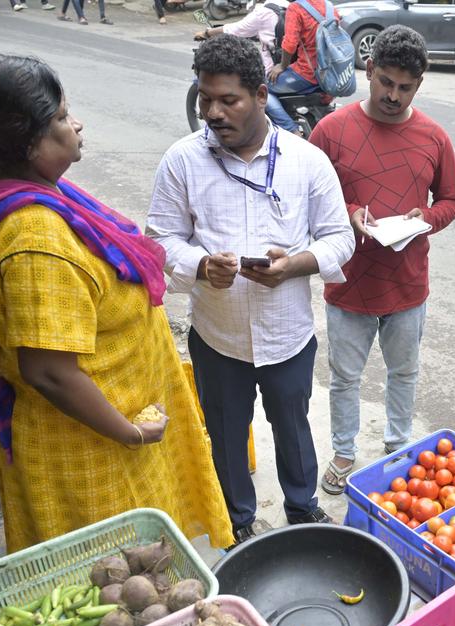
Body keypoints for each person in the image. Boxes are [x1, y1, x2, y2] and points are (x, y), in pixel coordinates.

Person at [0, 52, 234, 553]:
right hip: (92, 458)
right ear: (22, 140)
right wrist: (130, 434)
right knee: (117, 583)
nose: (75, 124)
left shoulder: (2, 195)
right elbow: (49, 370)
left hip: (113, 430)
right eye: (58, 117)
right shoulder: (35, 237)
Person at [148, 35, 354, 539]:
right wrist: (199, 266)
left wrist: (297, 264)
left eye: (228, 100)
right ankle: (238, 520)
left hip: (288, 335)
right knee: (224, 433)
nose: (214, 113)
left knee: (293, 426)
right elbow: (159, 241)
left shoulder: (306, 161)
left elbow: (340, 238)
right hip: (218, 337)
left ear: (261, 96)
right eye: (205, 99)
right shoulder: (182, 160)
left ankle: (302, 506)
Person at [309, 26, 455, 494]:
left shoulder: (434, 138)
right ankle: (343, 452)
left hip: (407, 285)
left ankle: (398, 445)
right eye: (385, 83)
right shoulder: (330, 131)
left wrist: (427, 219)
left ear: (419, 85)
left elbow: (453, 199)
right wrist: (351, 213)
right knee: (344, 377)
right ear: (369, 70)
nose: (393, 96)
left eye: (405, 87)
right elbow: (311, 199)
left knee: (404, 372)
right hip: (349, 282)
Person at [195, 1, 291, 129]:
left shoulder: (263, 12)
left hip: (278, 67)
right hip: (299, 65)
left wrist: (207, 33)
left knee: (258, 89)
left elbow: (235, 29)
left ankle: (291, 128)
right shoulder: (287, 6)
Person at [266, 0, 328, 131]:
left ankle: (291, 129)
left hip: (307, 74)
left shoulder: (296, 8)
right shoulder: (329, 7)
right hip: (328, 75)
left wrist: (282, 66)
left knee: (260, 89)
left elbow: (289, 43)